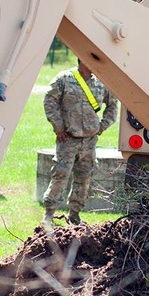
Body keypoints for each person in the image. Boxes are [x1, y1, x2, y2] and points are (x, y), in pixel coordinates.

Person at [41, 58, 118, 226]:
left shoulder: (101, 83)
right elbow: (49, 101)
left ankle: (74, 215)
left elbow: (113, 105)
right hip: (67, 139)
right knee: (60, 175)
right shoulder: (64, 79)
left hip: (89, 141)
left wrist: (102, 126)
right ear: (83, 60)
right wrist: (58, 127)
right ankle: (49, 214)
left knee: (84, 178)